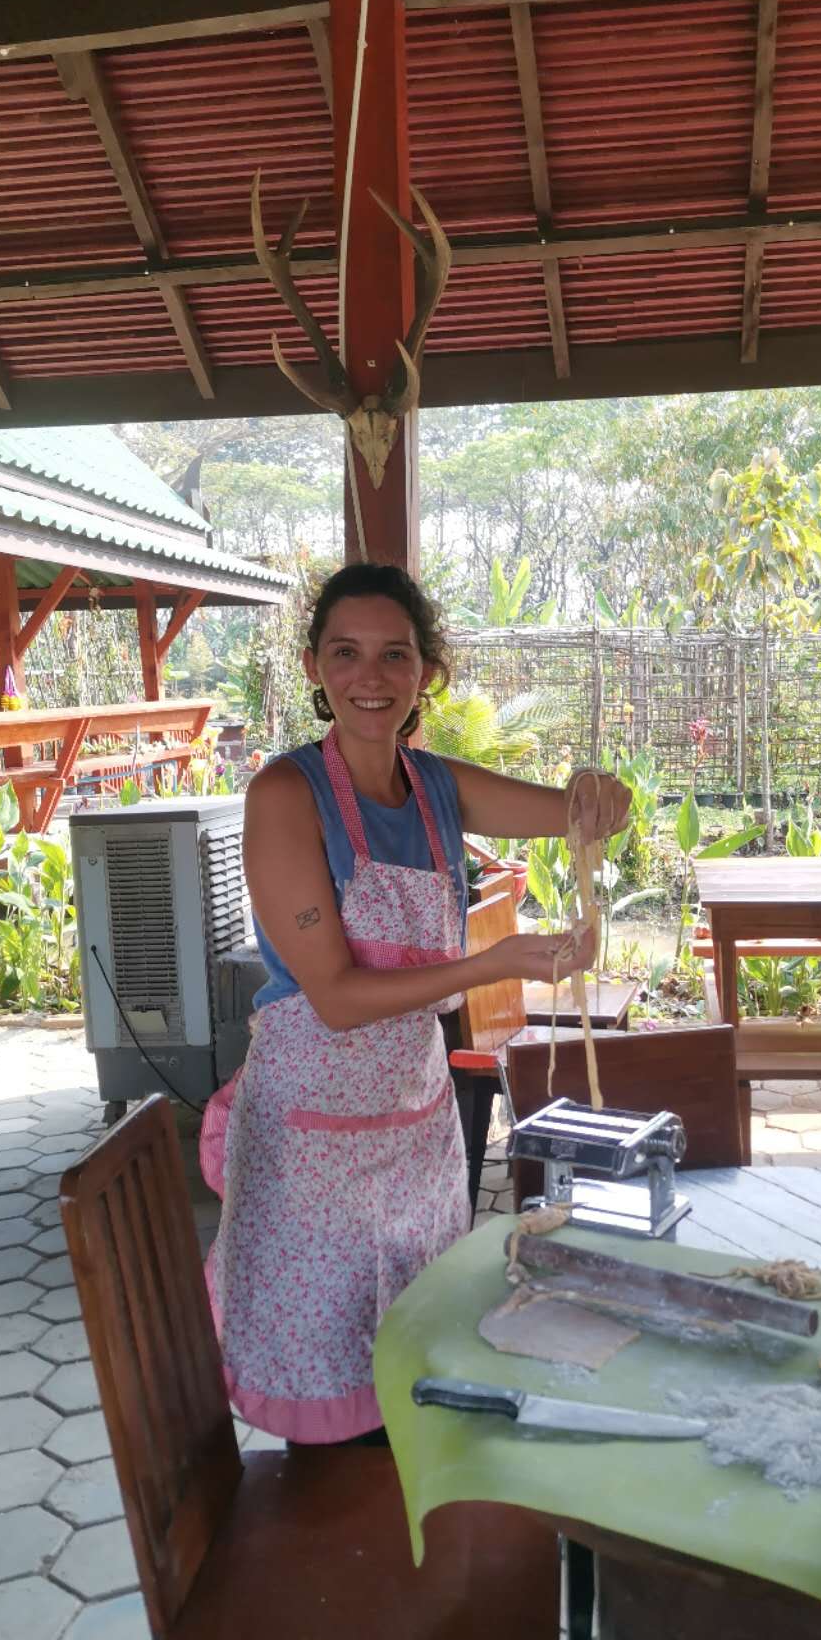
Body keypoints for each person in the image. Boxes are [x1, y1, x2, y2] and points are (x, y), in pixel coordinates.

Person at [201, 562, 630, 1444]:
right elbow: (336, 996)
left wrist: (600, 798)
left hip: (414, 1131)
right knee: (332, 1413)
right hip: (312, 1152)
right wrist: (491, 964)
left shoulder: (437, 787)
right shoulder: (285, 795)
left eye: (394, 654)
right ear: (314, 666)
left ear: (426, 670)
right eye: (346, 653)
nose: (371, 677)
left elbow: (575, 814)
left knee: (415, 1382)